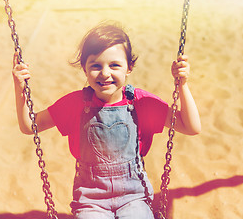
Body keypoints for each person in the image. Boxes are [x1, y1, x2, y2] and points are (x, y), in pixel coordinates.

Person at [12, 22, 201, 219]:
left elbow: (191, 127)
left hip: (134, 196)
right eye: (95, 65)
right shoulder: (75, 104)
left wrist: (182, 85)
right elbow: (29, 126)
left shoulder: (141, 102)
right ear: (84, 69)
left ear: (129, 67)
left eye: (114, 65)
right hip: (91, 200)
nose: (105, 73)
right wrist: (19, 87)